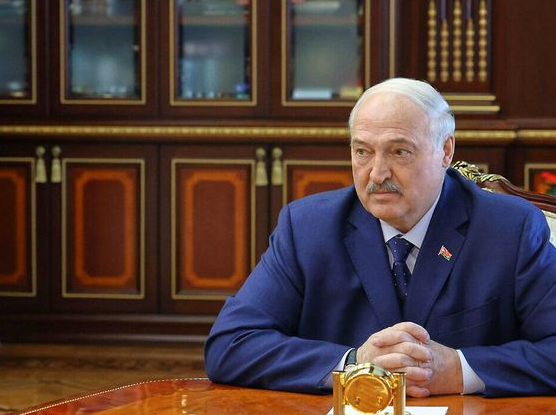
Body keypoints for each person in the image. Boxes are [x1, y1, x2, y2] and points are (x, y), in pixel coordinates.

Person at [205, 78, 556, 398]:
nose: (377, 173)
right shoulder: (308, 226)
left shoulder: (510, 228)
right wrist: (355, 363)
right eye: (363, 151)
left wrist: (459, 370)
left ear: (446, 151)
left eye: (399, 151)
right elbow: (230, 345)